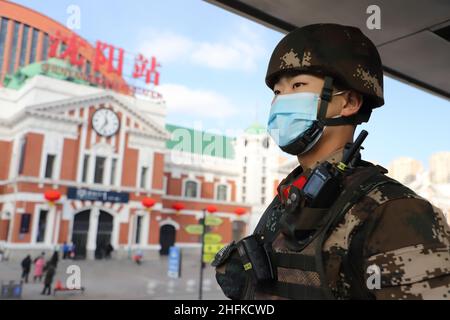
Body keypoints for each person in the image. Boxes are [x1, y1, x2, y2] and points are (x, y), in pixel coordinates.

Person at [213, 23, 450, 300]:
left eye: (298, 85)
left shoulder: (394, 211)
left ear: (348, 102)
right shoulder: (290, 198)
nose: (280, 102)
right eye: (277, 92)